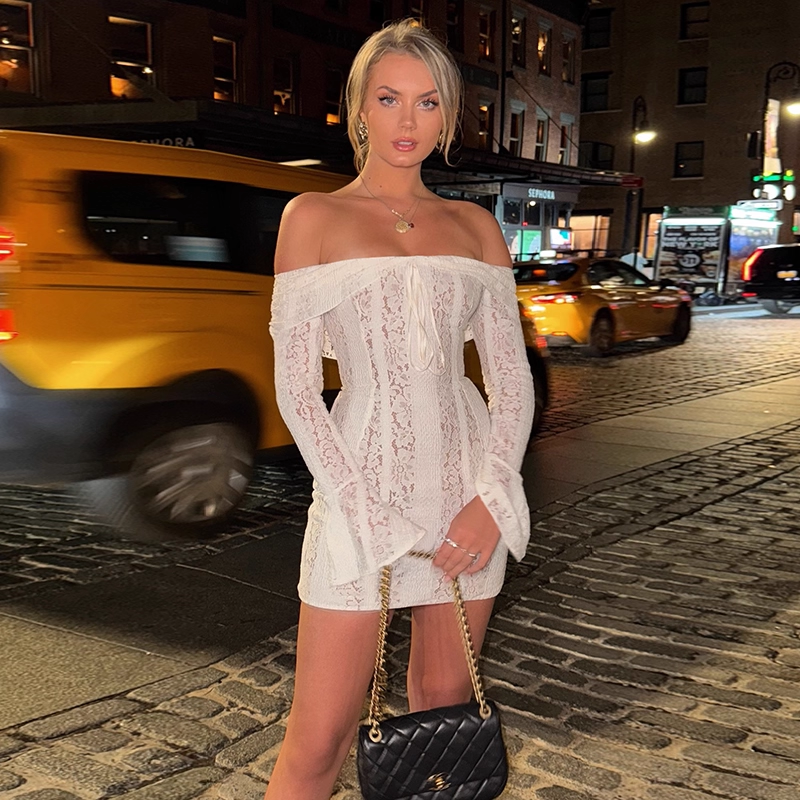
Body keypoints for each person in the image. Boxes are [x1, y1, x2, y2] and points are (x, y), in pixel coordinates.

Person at [265, 19, 534, 800]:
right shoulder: (312, 217)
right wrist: (361, 510)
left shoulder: (475, 226)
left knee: (442, 719)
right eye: (389, 99)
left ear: (447, 116)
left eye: (427, 102)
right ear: (359, 109)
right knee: (319, 739)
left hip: (465, 491)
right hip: (361, 492)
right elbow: (296, 389)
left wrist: (492, 497)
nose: (408, 120)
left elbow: (510, 379)